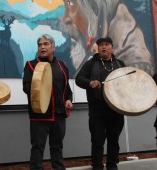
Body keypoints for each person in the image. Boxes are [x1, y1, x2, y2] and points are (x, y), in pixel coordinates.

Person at [23, 34, 73, 170]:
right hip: (39, 115)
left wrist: (68, 99)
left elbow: (67, 89)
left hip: (59, 114)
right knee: (38, 148)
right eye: (40, 45)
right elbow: (26, 87)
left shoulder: (62, 66)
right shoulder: (30, 65)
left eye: (46, 44)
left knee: (57, 148)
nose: (42, 47)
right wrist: (39, 87)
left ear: (53, 47)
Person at [75, 36, 125, 170]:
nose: (103, 47)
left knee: (113, 140)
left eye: (107, 44)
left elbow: (128, 82)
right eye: (101, 45)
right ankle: (97, 166)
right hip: (97, 108)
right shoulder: (90, 63)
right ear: (97, 48)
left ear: (112, 47)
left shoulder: (120, 64)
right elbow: (79, 79)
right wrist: (90, 82)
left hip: (116, 108)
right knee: (97, 140)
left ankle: (112, 165)